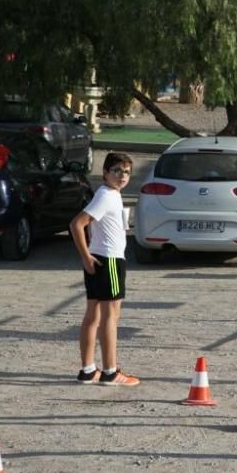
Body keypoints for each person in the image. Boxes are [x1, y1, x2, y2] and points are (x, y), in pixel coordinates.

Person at [70, 153, 140, 386]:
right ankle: (110, 371)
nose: (122, 176)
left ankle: (88, 370)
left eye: (127, 172)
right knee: (110, 316)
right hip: (108, 260)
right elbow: (77, 224)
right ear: (106, 173)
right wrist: (86, 255)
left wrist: (89, 255)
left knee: (94, 314)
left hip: (104, 257)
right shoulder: (106, 196)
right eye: (117, 171)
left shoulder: (109, 194)